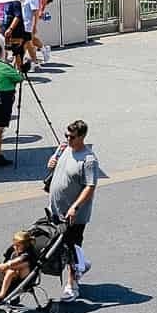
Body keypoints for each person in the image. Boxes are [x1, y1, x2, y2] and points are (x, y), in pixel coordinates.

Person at [45, 119, 99, 300]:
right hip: (55, 209)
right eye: (66, 135)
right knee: (58, 245)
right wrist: (51, 163)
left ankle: (72, 285)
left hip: (73, 215)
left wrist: (75, 207)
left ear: (82, 137)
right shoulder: (64, 149)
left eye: (72, 136)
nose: (68, 139)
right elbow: (54, 168)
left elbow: (90, 187)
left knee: (71, 247)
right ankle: (81, 264)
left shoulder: (88, 159)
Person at [0, 231, 37, 304]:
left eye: (18, 245)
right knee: (10, 271)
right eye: (14, 245)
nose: (15, 247)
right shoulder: (13, 248)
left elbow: (18, 260)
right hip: (15, 273)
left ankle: (2, 294)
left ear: (25, 245)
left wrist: (4, 266)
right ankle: (6, 292)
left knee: (19, 266)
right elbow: (7, 259)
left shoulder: (28, 253)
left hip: (25, 276)